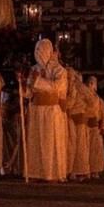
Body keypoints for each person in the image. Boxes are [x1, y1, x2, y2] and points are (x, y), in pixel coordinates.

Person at [25, 39, 68, 182]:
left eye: (41, 50)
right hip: (36, 110)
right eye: (36, 50)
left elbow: (57, 87)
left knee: (50, 141)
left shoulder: (59, 70)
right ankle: (37, 172)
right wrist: (23, 85)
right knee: (36, 141)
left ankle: (52, 173)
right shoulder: (34, 69)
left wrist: (38, 82)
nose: (38, 53)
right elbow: (29, 92)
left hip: (51, 110)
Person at [65, 66, 90, 181]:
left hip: (76, 120)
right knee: (75, 147)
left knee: (77, 147)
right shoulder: (73, 87)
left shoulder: (75, 87)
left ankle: (78, 171)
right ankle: (75, 170)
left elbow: (70, 103)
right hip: (74, 120)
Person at [84, 76, 104, 178]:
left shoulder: (99, 100)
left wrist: (103, 127)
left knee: (95, 150)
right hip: (84, 125)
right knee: (85, 149)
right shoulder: (83, 96)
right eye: (90, 82)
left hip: (94, 127)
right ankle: (85, 169)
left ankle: (95, 170)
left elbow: (103, 114)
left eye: (93, 83)